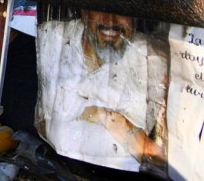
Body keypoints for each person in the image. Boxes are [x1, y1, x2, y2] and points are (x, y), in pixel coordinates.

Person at [37, 9, 168, 173]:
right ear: (84, 10)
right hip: (54, 168)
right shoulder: (53, 37)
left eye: (121, 8)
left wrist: (106, 118)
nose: (110, 19)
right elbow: (43, 120)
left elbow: (162, 161)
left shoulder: (151, 60)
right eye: (100, 7)